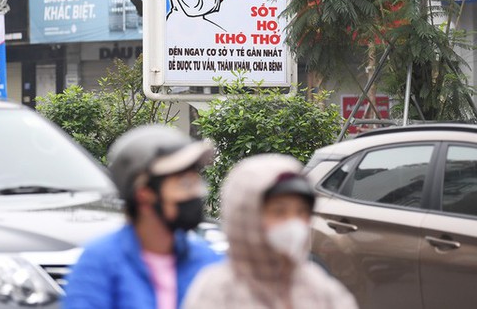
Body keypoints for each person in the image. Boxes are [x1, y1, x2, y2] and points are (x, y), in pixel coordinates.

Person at [63, 125, 222, 309]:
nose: (195, 193)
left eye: (196, 182)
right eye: (184, 184)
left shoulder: (206, 260)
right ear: (144, 195)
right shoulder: (100, 262)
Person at [182, 153, 358, 309]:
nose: (293, 224)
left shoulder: (319, 288)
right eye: (279, 212)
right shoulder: (217, 292)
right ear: (246, 217)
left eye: (301, 212)